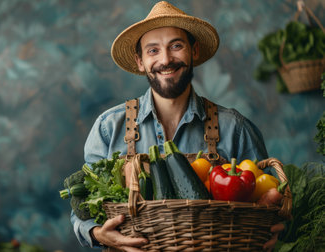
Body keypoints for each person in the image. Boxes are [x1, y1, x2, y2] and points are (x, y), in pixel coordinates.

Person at [71, 1, 284, 251]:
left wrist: (274, 228)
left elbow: (271, 203)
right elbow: (83, 210)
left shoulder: (235, 128)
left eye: (176, 46)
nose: (166, 59)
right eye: (153, 50)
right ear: (140, 61)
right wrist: (97, 233)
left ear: (193, 51)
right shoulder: (109, 127)